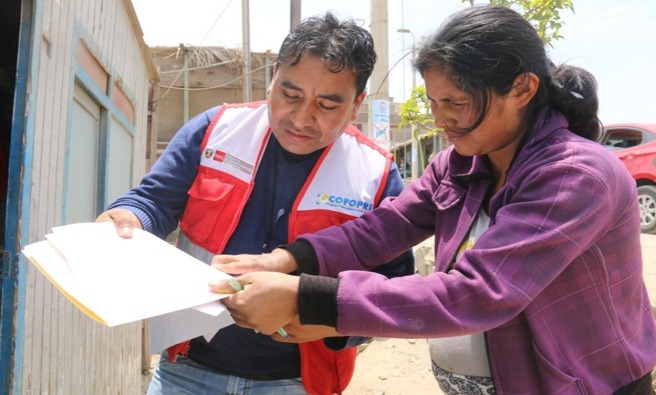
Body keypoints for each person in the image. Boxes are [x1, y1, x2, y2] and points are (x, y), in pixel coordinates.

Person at [212, 5, 656, 394]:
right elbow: (382, 228)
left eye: (456, 102)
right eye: (433, 101)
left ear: (522, 89)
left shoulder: (574, 175)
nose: (442, 118)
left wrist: (309, 298)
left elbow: (478, 293)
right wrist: (286, 260)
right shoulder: (460, 163)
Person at [96, 12, 414, 395]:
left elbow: (391, 290)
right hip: (186, 368)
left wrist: (329, 325)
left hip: (298, 382)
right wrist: (129, 218)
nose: (301, 118)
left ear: (357, 103)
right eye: (290, 95)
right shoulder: (215, 130)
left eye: (327, 105)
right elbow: (153, 201)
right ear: (273, 78)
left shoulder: (376, 174)